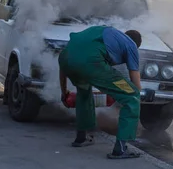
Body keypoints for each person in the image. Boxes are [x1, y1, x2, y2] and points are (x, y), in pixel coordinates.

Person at [58, 25, 143, 159]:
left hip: (66, 58)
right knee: (131, 96)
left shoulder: (106, 33)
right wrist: (136, 94)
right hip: (91, 62)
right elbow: (135, 85)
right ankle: (120, 149)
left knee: (84, 89)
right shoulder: (131, 45)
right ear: (137, 45)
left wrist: (64, 92)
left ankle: (82, 137)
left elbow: (63, 67)